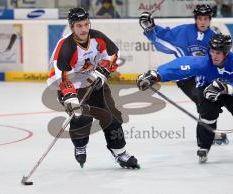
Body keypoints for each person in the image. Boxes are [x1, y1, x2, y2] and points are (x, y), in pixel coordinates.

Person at [47, 7, 139, 169]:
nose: (84, 29)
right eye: (79, 26)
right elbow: (60, 76)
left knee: (112, 116)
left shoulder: (97, 37)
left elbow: (114, 55)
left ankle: (120, 153)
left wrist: (104, 70)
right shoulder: (66, 46)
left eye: (86, 24)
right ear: (71, 27)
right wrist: (70, 97)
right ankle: (80, 145)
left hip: (94, 83)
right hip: (70, 86)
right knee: (81, 117)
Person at [139, 4, 229, 145]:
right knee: (202, 102)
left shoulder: (214, 37)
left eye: (206, 18)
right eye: (200, 18)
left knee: (206, 103)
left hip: (203, 77)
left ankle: (209, 132)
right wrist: (150, 28)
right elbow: (164, 35)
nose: (203, 22)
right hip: (185, 76)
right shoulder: (184, 30)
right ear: (195, 19)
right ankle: (209, 133)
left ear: (210, 20)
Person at [136, 33, 233, 163]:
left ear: (226, 53)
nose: (214, 56)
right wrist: (157, 75)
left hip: (229, 90)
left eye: (218, 53)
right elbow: (181, 65)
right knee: (207, 115)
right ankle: (204, 146)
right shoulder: (204, 62)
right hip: (207, 88)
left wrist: (227, 88)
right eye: (212, 51)